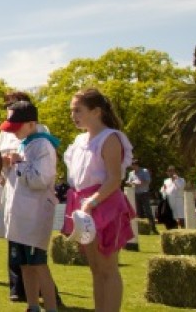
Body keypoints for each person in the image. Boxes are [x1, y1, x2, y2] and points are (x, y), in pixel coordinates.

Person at [62, 88, 135, 312]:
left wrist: (92, 202)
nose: (73, 115)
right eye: (72, 110)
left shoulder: (110, 138)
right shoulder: (79, 140)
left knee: (107, 268)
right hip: (84, 205)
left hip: (104, 204)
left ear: (96, 111)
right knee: (94, 267)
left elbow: (115, 178)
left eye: (78, 110)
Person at [0, 101, 59, 312]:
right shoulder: (23, 144)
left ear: (32, 123)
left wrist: (18, 164)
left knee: (38, 264)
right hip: (18, 217)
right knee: (24, 264)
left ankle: (51, 307)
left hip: (34, 216)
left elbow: (40, 180)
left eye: (17, 127)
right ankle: (32, 305)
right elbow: (9, 181)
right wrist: (5, 166)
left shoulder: (43, 145)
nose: (13, 132)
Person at [126, 158, 156, 233]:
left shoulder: (144, 171)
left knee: (148, 211)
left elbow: (147, 181)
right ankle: (140, 229)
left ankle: (153, 228)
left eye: (134, 165)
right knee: (138, 211)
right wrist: (129, 182)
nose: (133, 167)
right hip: (135, 194)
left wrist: (138, 182)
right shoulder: (131, 173)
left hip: (144, 193)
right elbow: (129, 181)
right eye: (132, 165)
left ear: (137, 165)